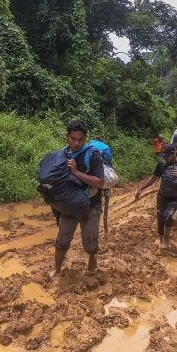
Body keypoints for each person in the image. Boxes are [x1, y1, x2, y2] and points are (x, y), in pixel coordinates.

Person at [49, 119, 105, 278]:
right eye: (73, 139)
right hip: (69, 206)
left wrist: (76, 172)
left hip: (90, 204)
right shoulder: (63, 154)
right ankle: (57, 268)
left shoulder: (93, 155)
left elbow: (100, 182)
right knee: (62, 239)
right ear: (67, 137)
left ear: (85, 138)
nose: (76, 143)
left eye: (80, 139)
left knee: (90, 240)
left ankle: (92, 264)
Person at [134, 143, 177, 249]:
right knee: (160, 220)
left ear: (173, 154)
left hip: (175, 198)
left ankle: (166, 239)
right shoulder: (162, 164)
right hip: (162, 196)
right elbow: (153, 178)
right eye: (164, 156)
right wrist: (141, 188)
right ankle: (162, 242)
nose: (165, 158)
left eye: (167, 156)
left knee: (168, 217)